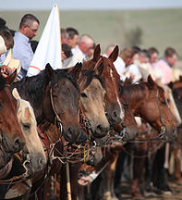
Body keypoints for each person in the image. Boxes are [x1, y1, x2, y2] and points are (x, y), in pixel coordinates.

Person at [13, 14, 39, 79]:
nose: (35, 34)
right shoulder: (19, 44)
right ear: (25, 27)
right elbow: (31, 66)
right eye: (34, 30)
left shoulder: (23, 42)